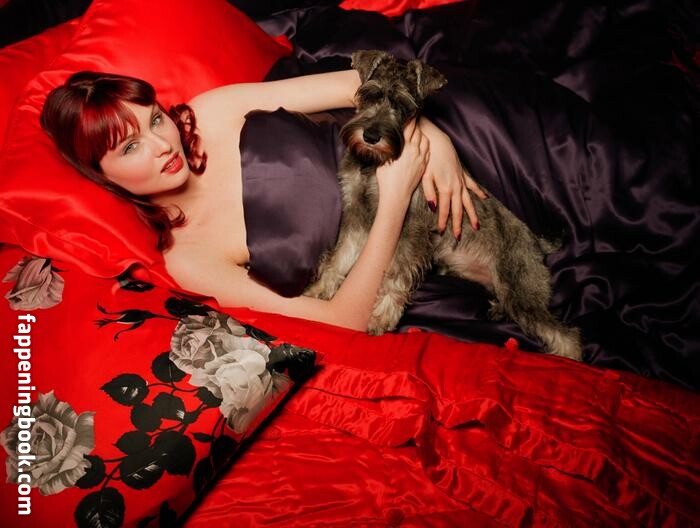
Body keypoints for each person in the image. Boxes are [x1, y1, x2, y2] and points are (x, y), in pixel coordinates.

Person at [41, 70, 487, 333]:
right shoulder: (189, 259)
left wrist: (433, 139)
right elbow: (340, 321)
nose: (162, 145)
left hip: (447, 142)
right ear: (101, 175)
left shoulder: (208, 113)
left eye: (155, 119)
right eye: (130, 147)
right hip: (414, 243)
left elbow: (361, 82)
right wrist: (395, 197)